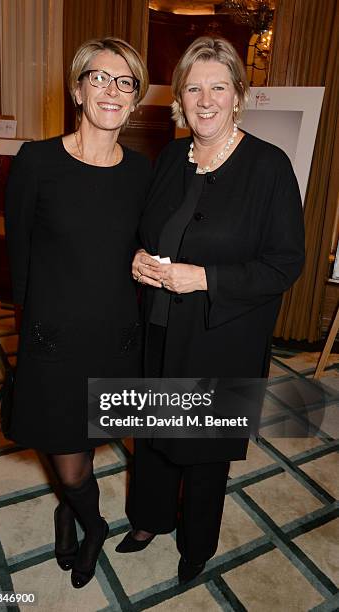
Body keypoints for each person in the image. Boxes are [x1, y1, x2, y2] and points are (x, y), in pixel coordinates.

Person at [116, 36, 305, 584]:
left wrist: (206, 278)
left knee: (202, 449)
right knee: (152, 431)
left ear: (238, 96)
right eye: (193, 87)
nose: (205, 99)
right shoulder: (172, 156)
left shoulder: (269, 167)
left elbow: (285, 263)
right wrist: (136, 260)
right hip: (159, 325)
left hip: (222, 337)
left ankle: (196, 545)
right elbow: (145, 229)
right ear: (179, 98)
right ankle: (148, 519)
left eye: (218, 87)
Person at [5, 37, 151, 589]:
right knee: (64, 451)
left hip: (115, 338)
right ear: (76, 87)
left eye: (125, 81)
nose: (111, 90)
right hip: (54, 339)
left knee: (86, 444)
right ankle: (92, 522)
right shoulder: (37, 161)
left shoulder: (145, 173)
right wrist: (30, 335)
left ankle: (70, 508)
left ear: (134, 100)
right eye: (99, 77)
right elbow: (18, 260)